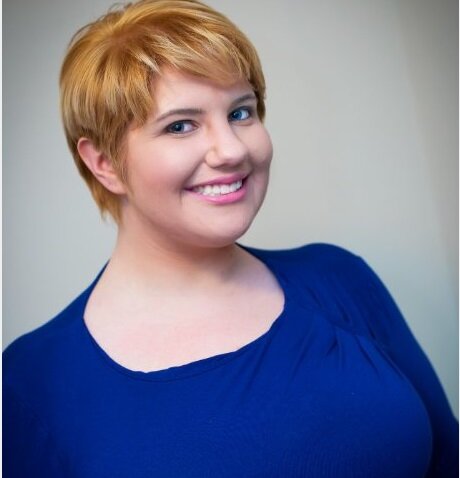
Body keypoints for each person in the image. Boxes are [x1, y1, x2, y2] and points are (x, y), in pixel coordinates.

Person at [3, 0, 458, 476]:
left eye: (241, 113)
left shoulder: (340, 279)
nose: (232, 149)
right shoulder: (32, 382)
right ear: (104, 163)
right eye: (180, 125)